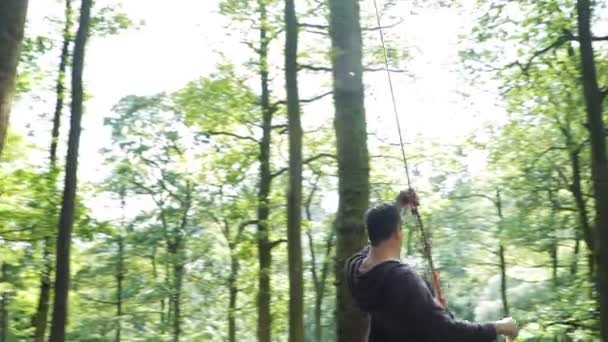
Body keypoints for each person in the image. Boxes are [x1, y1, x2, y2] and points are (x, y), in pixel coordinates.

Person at [346, 190, 519, 342]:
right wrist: (499, 327)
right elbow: (446, 332)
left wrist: (396, 207)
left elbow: (377, 239)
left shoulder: (355, 268)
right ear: (398, 232)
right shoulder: (403, 279)